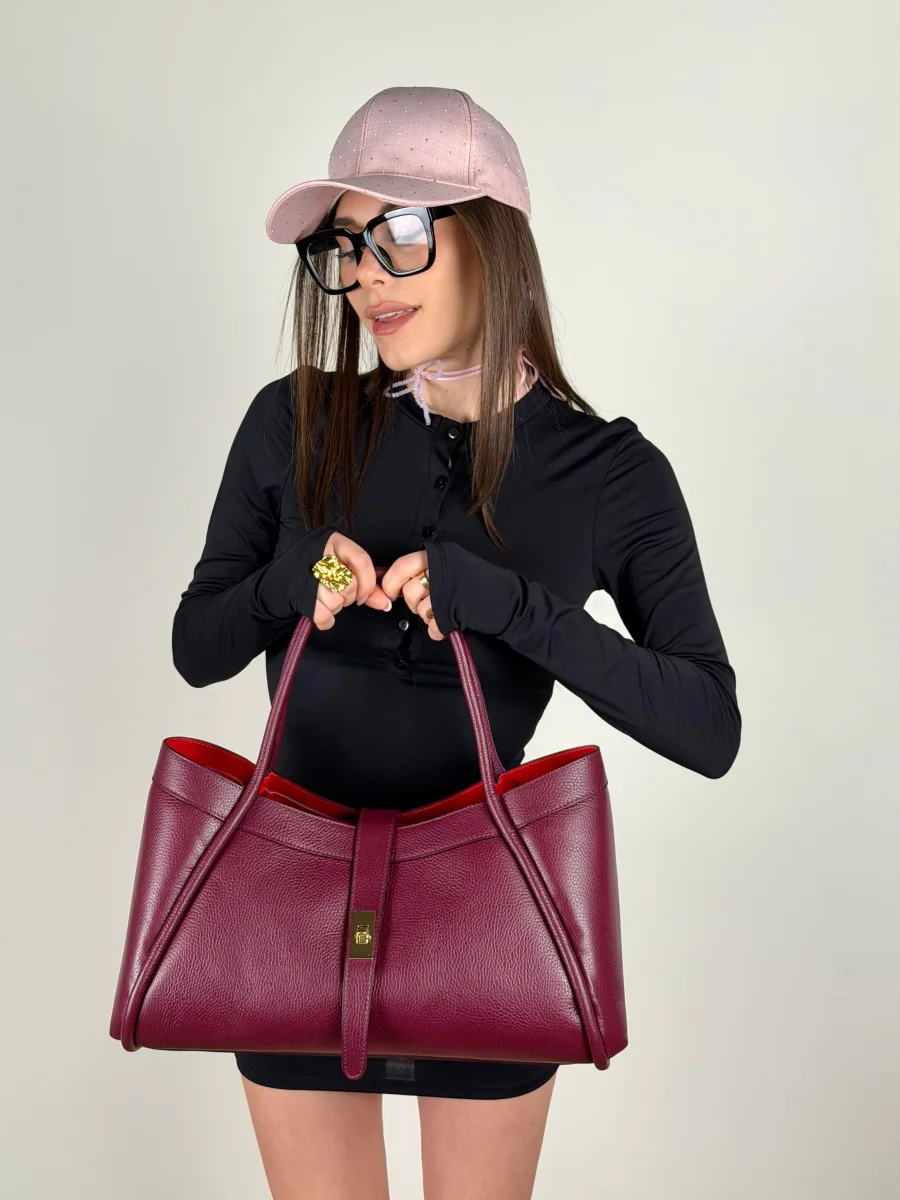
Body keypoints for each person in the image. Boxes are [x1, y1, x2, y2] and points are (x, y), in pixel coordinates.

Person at [172, 85, 741, 1200]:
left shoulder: (610, 475)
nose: (367, 279)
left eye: (397, 233)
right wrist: (295, 580)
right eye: (347, 247)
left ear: (492, 235)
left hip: (487, 913)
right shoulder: (292, 421)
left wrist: (516, 609)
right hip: (289, 897)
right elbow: (199, 647)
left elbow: (707, 726)